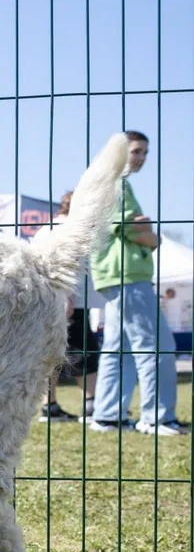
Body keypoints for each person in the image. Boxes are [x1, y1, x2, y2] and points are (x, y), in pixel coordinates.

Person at [86, 130, 187, 436]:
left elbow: (135, 227)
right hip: (128, 275)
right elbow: (135, 228)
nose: (141, 158)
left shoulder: (104, 181)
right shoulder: (116, 183)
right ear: (119, 152)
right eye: (135, 151)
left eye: (145, 152)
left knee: (120, 350)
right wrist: (151, 234)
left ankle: (108, 415)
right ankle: (157, 417)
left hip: (115, 276)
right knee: (158, 347)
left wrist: (144, 229)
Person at [34, 191, 99, 421]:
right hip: (70, 300)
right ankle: (90, 405)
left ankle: (49, 407)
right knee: (84, 351)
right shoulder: (67, 228)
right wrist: (67, 296)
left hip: (50, 300)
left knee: (51, 353)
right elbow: (65, 263)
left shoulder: (49, 227)